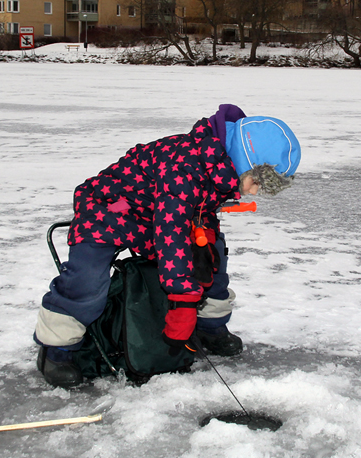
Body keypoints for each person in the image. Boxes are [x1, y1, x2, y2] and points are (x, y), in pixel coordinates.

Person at [34, 104, 301, 388]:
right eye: (255, 181)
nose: (254, 191)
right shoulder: (183, 165)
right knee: (86, 279)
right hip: (109, 210)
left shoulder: (217, 166)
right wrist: (183, 302)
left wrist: (205, 246)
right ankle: (57, 349)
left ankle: (210, 327)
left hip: (157, 215)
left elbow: (194, 214)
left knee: (212, 257)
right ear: (242, 159)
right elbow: (171, 235)